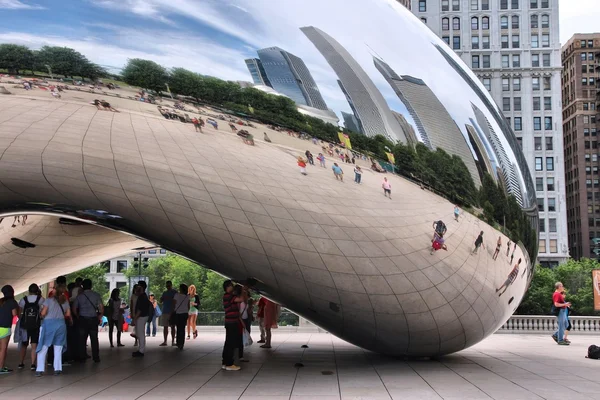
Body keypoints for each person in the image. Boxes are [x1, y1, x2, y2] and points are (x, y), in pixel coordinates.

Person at [35, 286, 70, 376]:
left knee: (44, 346)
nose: (52, 290)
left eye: (53, 289)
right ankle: (57, 369)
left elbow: (43, 313)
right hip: (61, 325)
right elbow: (68, 314)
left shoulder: (48, 301)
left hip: (49, 325)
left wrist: (42, 315)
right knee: (58, 348)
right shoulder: (65, 301)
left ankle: (39, 369)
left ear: (55, 291)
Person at [72, 279, 103, 363]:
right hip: (93, 319)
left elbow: (74, 308)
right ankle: (96, 357)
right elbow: (101, 307)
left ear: (82, 286)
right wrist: (100, 316)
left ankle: (82, 356)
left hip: (82, 319)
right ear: (91, 285)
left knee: (82, 339)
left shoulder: (79, 296)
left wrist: (78, 316)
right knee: (94, 338)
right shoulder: (96, 295)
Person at [17, 284, 44, 370]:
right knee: (34, 345)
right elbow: (44, 311)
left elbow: (19, 313)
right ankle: (33, 364)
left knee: (24, 345)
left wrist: (22, 320)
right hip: (36, 325)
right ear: (37, 291)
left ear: (29, 291)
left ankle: (21, 363)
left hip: (25, 325)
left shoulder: (23, 300)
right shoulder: (41, 299)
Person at [222, 280, 242, 371]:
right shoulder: (228, 296)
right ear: (228, 287)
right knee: (231, 343)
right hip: (232, 323)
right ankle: (229, 364)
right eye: (231, 286)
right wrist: (243, 291)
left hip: (230, 322)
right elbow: (240, 299)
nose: (232, 287)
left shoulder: (228, 296)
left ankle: (225, 362)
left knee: (228, 343)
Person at [0, 285, 18, 374]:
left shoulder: (1, 301)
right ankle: (1, 367)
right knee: (3, 349)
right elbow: (14, 313)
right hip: (5, 327)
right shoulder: (12, 302)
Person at [132, 283, 151, 358]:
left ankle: (141, 350)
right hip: (143, 316)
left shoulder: (142, 297)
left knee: (140, 334)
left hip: (141, 317)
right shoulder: (143, 296)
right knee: (140, 333)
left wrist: (135, 318)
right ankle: (140, 349)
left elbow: (140, 309)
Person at [159, 281, 177, 347]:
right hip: (165, 310)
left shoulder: (175, 292)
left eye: (169, 285)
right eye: (167, 286)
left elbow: (176, 301)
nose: (168, 287)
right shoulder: (164, 293)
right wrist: (161, 299)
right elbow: (160, 301)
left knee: (172, 326)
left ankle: (173, 341)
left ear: (171, 285)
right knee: (165, 327)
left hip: (172, 311)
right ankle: (165, 341)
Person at [172, 284, 189, 350]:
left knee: (178, 328)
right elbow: (188, 306)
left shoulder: (176, 295)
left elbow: (173, 304)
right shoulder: (187, 297)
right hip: (185, 313)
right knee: (182, 328)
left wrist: (172, 311)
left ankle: (179, 342)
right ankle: (181, 343)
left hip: (178, 313)